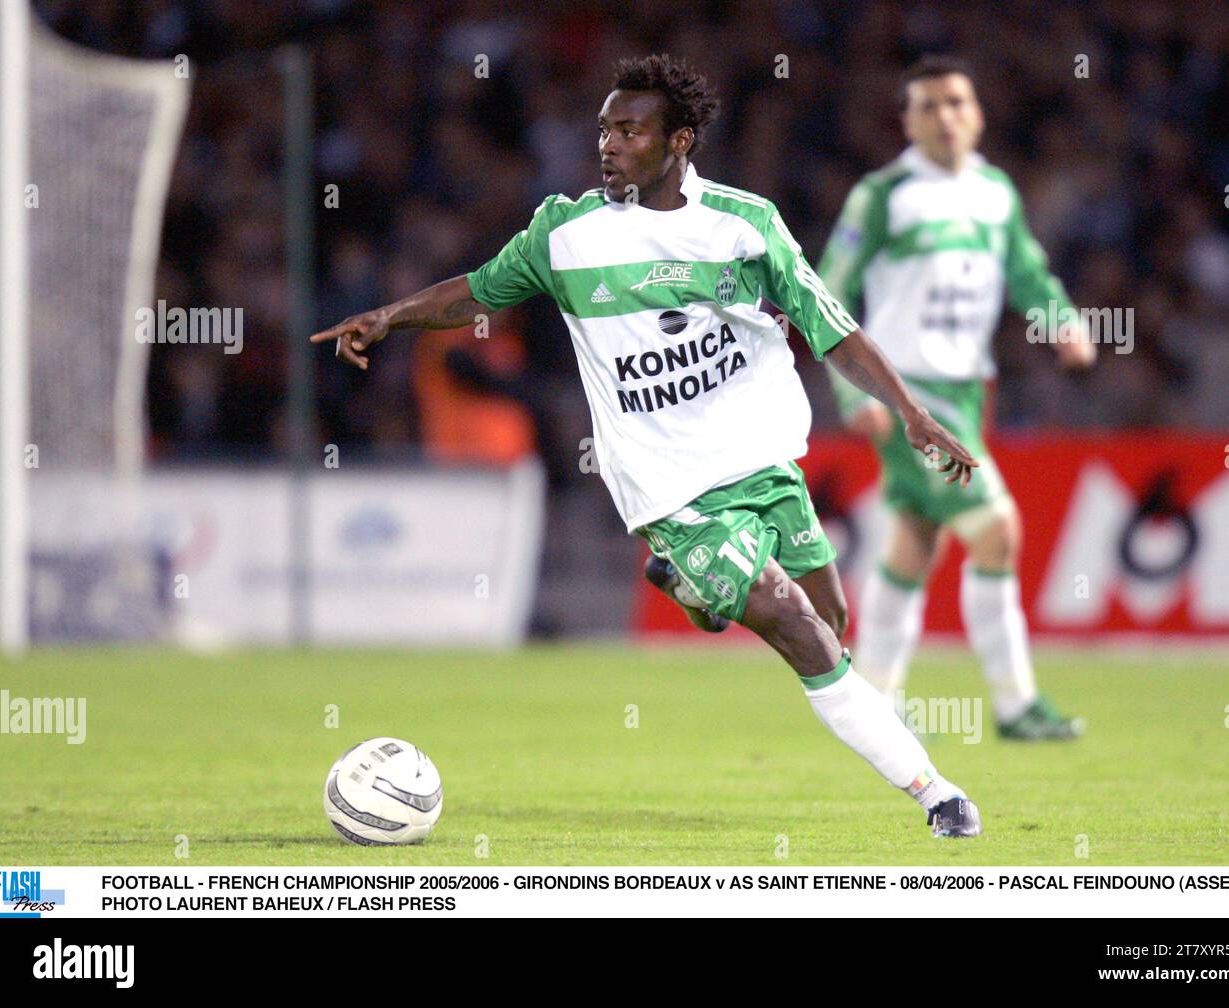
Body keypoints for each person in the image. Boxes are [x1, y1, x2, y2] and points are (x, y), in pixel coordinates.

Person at [312, 55, 983, 836]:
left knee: (833, 618)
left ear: (680, 142)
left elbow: (832, 325)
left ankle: (700, 594)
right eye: (605, 129)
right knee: (794, 619)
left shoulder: (744, 224)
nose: (609, 144)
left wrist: (908, 410)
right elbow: (478, 288)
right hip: (667, 484)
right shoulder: (565, 233)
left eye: (630, 130)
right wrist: (388, 316)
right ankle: (939, 795)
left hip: (759, 458)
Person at [817, 56, 1094, 740]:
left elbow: (1027, 273)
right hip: (911, 398)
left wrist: (1060, 319)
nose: (945, 117)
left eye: (957, 102)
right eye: (929, 106)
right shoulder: (882, 195)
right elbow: (826, 290)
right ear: (907, 120)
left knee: (915, 539)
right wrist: (855, 398)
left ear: (978, 113)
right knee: (997, 532)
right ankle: (1014, 704)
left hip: (970, 390)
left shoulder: (996, 192)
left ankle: (874, 699)